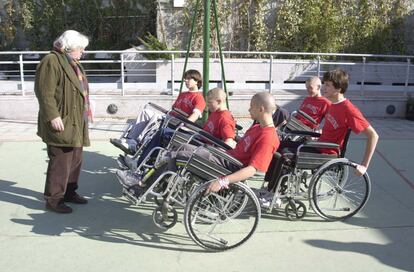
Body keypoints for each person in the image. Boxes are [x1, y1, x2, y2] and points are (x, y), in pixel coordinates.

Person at [116, 92, 280, 196]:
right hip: (223, 158)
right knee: (176, 148)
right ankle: (151, 182)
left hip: (227, 165)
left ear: (261, 109)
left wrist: (222, 182)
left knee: (176, 154)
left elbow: (252, 170)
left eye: (251, 107)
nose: (249, 110)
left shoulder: (268, 137)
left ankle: (142, 184)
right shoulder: (257, 128)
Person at [265, 69, 379, 194]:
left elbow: (373, 136)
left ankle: (272, 192)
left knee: (285, 154)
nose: (323, 87)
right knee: (279, 145)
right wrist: (317, 135)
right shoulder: (333, 105)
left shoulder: (349, 110)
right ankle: (269, 187)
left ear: (338, 88)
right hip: (318, 145)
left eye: (328, 85)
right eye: (324, 84)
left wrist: (364, 165)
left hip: (327, 152)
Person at [34, 30, 91, 213]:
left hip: (75, 121)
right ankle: (54, 199)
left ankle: (69, 193)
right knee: (60, 161)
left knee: (75, 159)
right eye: (80, 49)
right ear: (68, 47)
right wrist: (52, 116)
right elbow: (44, 92)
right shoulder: (51, 61)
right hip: (61, 120)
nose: (82, 52)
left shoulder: (73, 63)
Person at [110, 69, 206, 154]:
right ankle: (130, 141)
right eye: (185, 78)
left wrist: (183, 125)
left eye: (189, 78)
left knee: (155, 118)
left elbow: (196, 114)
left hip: (178, 124)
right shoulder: (182, 94)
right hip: (170, 119)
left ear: (197, 81)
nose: (185, 80)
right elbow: (173, 109)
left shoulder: (199, 97)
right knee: (146, 112)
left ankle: (138, 143)